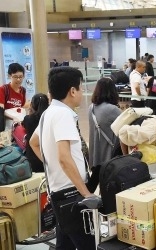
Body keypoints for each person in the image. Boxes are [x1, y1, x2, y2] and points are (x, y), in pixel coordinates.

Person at [29, 66, 96, 250]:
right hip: (70, 194)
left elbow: (33, 142)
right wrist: (86, 193)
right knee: (87, 245)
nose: (82, 93)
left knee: (64, 245)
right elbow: (64, 158)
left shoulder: (48, 113)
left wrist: (51, 164)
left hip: (59, 193)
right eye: (81, 88)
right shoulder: (63, 114)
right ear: (72, 91)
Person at [88, 77, 121, 170]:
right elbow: (127, 125)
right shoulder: (112, 109)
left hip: (95, 156)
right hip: (108, 157)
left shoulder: (91, 108)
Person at [22, 93, 49, 172]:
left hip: (32, 160)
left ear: (32, 105)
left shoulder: (28, 119)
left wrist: (30, 111)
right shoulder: (49, 119)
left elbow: (23, 125)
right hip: (47, 159)